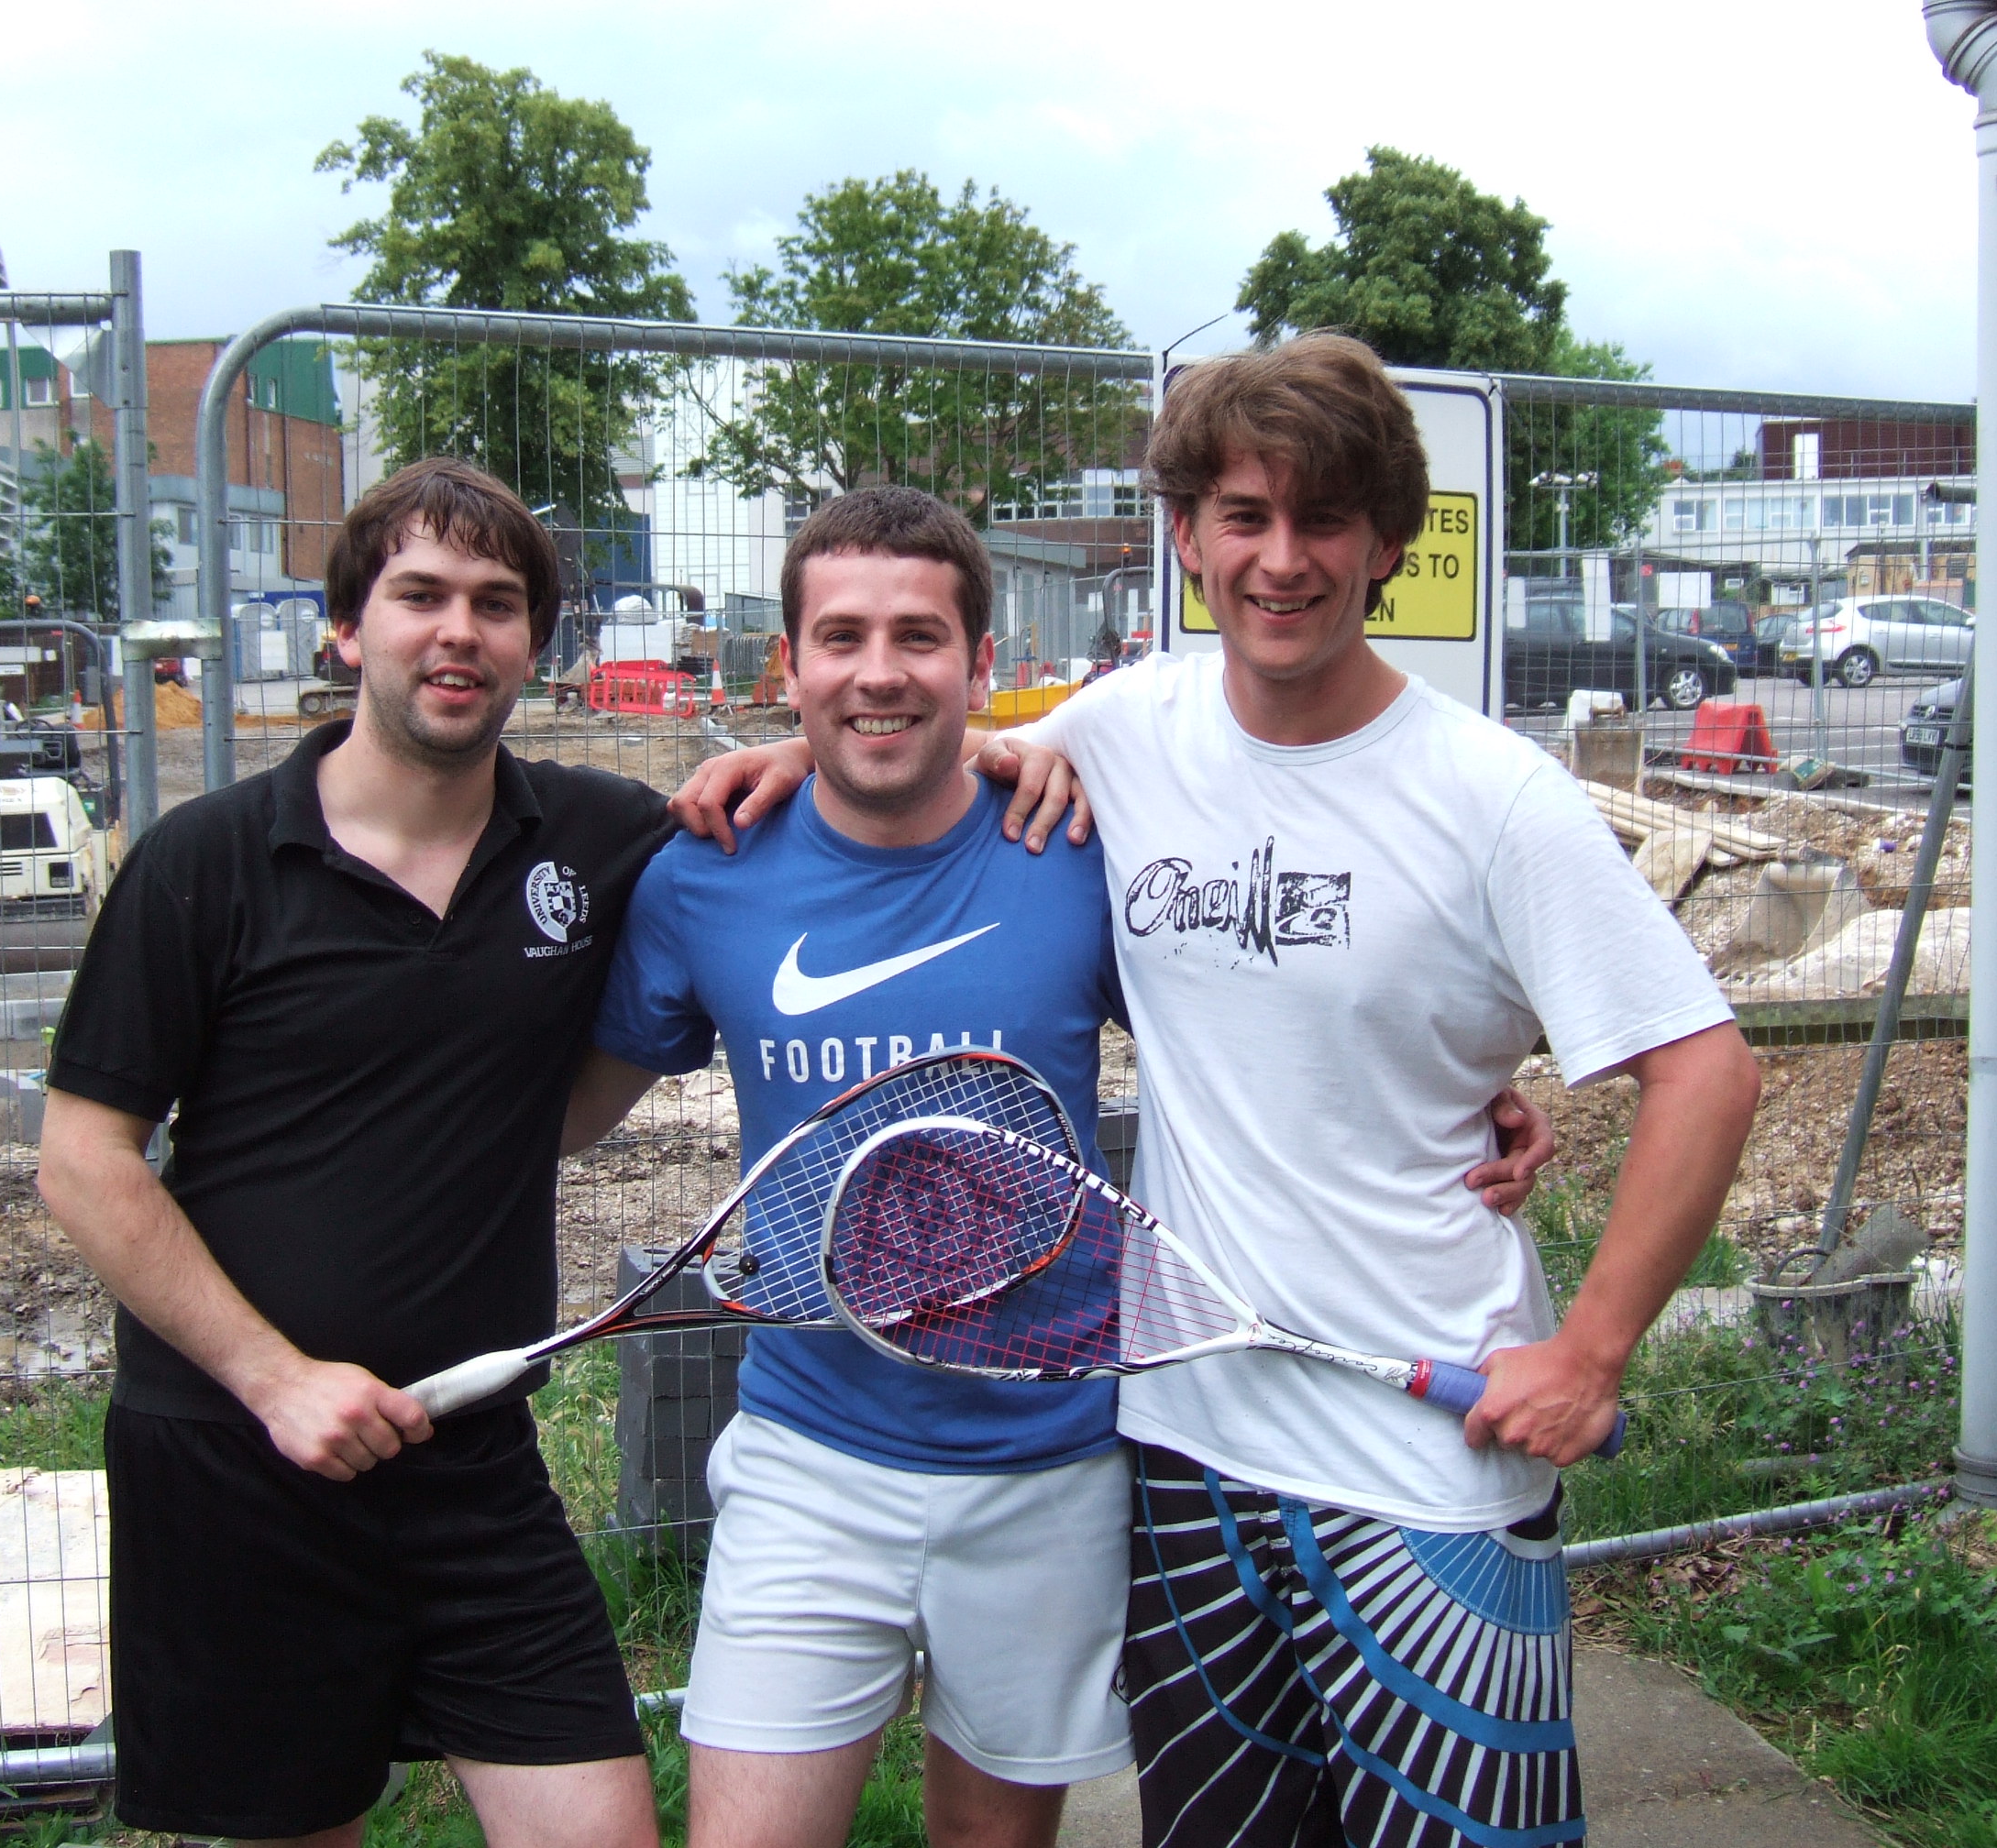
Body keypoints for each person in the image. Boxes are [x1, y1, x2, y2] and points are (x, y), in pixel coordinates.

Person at [678, 335, 1759, 1848]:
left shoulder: (1491, 793)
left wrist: (1589, 1349)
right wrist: (769, 767)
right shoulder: (1129, 728)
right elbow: (917, 751)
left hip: (1427, 1459)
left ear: (1388, 544)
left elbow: (1705, 1070)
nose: (1282, 559)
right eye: (1243, 517)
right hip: (1186, 1454)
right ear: (1185, 537)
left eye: (1324, 521)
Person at [569, 487, 1555, 1848]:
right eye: (839, 637)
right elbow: (569, 1113)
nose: (877, 670)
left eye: (920, 637)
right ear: (783, 665)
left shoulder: (1080, 848)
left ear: (981, 668)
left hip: (1053, 1460)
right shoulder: (706, 873)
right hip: (809, 1454)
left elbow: (1267, 1018)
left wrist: (1453, 1091)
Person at [36, 457, 669, 1848]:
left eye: (497, 605)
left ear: (534, 647)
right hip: (237, 1461)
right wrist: (276, 1380)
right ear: (346, 630)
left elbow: (791, 800)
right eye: (420, 596)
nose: (460, 632)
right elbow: (84, 1161)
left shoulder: (599, 838)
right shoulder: (207, 863)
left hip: (470, 1451)